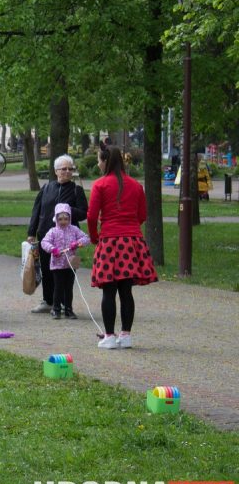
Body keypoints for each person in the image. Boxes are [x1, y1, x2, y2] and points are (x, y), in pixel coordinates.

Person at [87, 145, 158, 349]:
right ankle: (125, 335)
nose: (98, 164)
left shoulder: (100, 185)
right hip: (131, 241)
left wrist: (95, 237)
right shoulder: (136, 185)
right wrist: (130, 227)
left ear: (105, 161)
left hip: (109, 240)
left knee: (108, 291)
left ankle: (109, 336)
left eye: (100, 160)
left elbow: (92, 216)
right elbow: (142, 215)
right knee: (126, 291)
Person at [27, 154, 88, 314]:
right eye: (64, 169)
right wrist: (31, 232)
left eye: (70, 168)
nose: (67, 172)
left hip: (68, 240)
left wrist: (66, 209)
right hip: (47, 237)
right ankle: (48, 301)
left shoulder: (76, 190)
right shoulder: (47, 188)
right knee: (47, 270)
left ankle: (63, 303)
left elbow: (83, 213)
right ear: (56, 171)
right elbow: (37, 210)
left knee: (64, 272)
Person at [40, 203, 90, 319]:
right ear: (56, 219)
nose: (63, 221)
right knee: (58, 287)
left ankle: (68, 309)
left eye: (66, 219)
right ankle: (56, 309)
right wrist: (53, 249)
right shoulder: (53, 231)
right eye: (60, 219)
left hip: (70, 264)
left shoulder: (74, 229)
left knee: (69, 287)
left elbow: (86, 238)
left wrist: (77, 243)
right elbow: (44, 242)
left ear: (70, 218)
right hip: (57, 264)